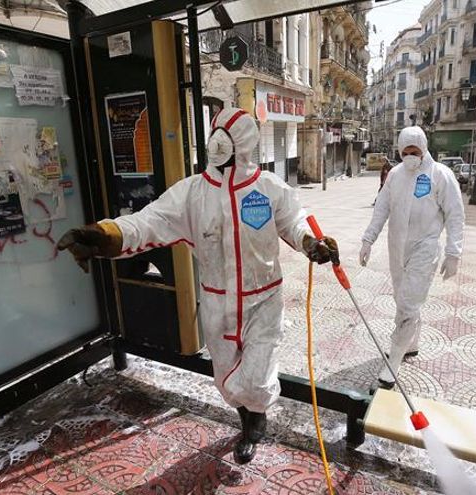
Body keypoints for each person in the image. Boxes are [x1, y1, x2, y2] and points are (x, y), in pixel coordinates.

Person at [56, 108, 339, 464]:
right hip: (217, 302)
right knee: (225, 376)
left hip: (263, 300)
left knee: (256, 376)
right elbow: (149, 221)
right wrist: (105, 235)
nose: (221, 142)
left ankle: (256, 419)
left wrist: (311, 242)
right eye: (217, 134)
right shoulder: (191, 193)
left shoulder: (269, 189)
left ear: (246, 145)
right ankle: (247, 416)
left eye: (229, 137)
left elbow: (295, 222)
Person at [358, 126, 464, 390]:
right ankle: (411, 344)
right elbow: (381, 208)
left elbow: (455, 214)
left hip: (424, 249)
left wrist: (453, 252)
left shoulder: (441, 175)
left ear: (424, 148)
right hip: (397, 249)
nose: (409, 156)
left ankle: (393, 362)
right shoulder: (395, 175)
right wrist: (367, 240)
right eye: (404, 152)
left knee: (407, 304)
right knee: (402, 300)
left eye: (414, 151)